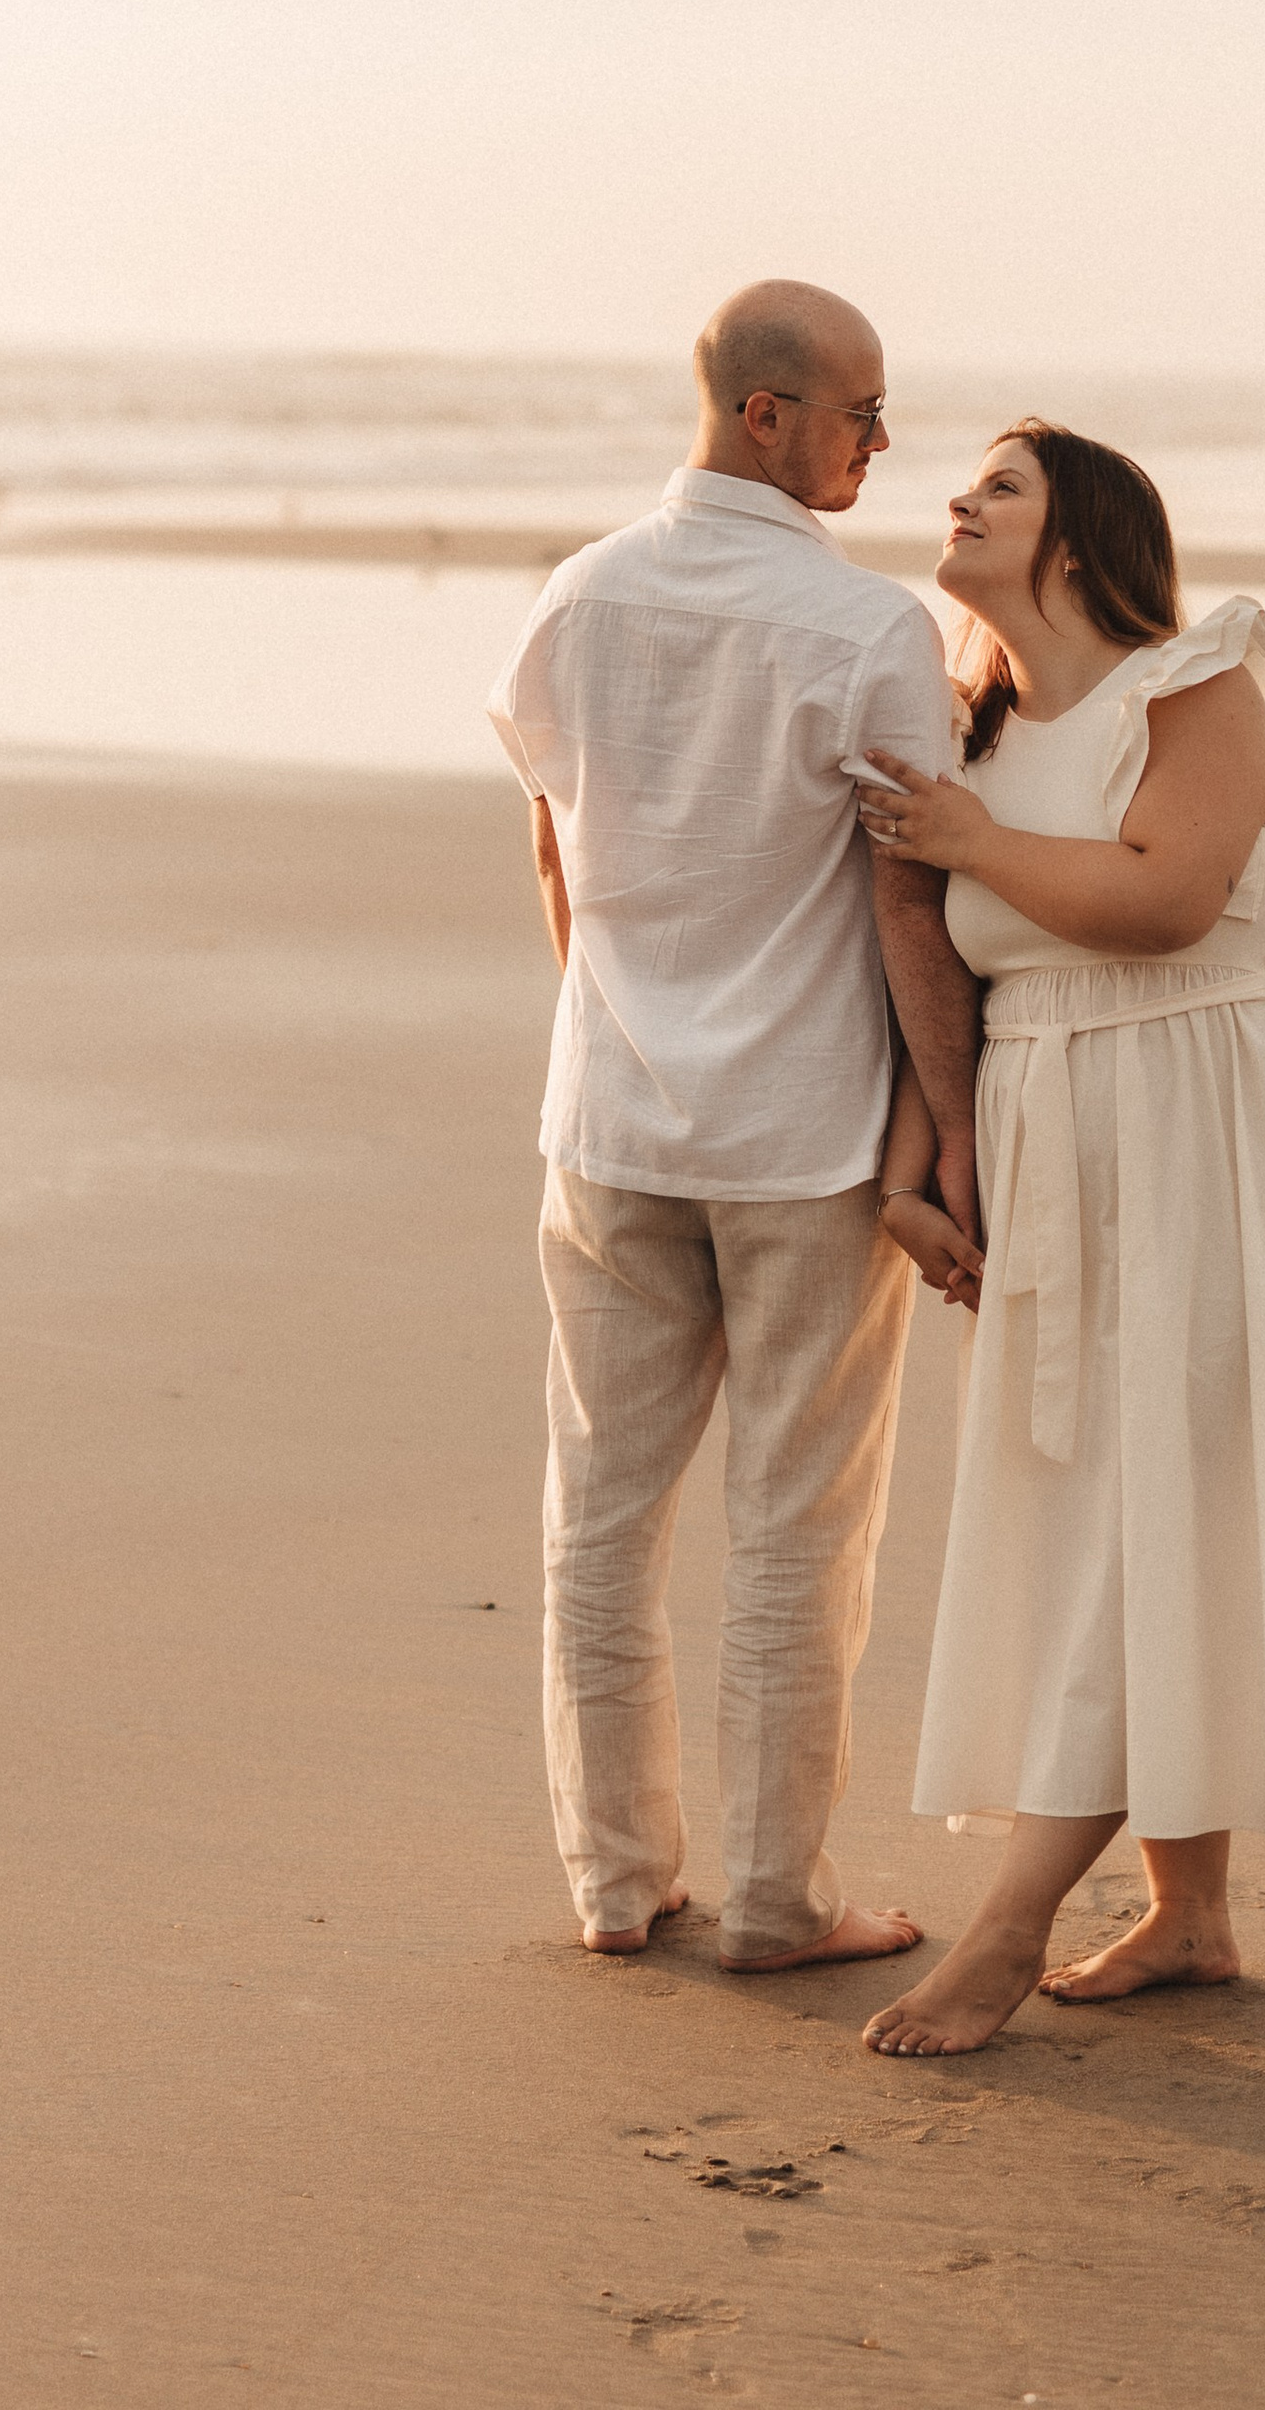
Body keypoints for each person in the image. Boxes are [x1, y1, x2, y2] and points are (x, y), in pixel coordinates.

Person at [851, 420, 1265, 2057]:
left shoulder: (1199, 683)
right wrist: (913, 1172)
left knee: (1147, 1517)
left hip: (1216, 1124)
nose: (957, 500)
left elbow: (1167, 900)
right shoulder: (969, 735)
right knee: (1112, 1507)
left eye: (1002, 486)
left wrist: (969, 845)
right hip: (1050, 1134)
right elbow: (945, 991)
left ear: (1088, 534)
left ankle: (1007, 1932)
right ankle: (1190, 1914)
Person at [487, 282, 984, 1970]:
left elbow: (555, 840)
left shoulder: (585, 593)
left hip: (612, 1126)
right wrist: (953, 1148)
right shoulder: (867, 633)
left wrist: (620, 1024)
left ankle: (617, 1885)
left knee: (599, 1516)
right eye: (860, 409)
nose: (883, 440)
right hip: (806, 1143)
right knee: (797, 1530)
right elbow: (914, 907)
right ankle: (781, 1902)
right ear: (764, 415)